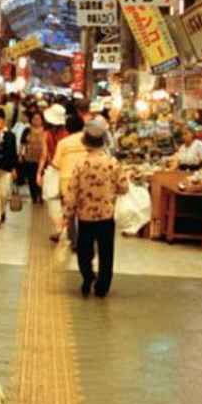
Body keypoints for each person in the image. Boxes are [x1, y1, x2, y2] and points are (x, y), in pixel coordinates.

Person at [65, 118, 127, 298]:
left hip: (85, 217)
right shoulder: (112, 163)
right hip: (106, 216)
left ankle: (87, 277)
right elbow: (124, 187)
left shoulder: (80, 164)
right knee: (106, 252)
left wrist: (67, 214)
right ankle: (102, 287)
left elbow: (72, 191)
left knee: (84, 251)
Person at [49, 109, 87, 245]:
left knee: (69, 210)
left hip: (67, 180)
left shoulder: (63, 143)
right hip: (85, 178)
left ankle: (73, 239)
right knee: (83, 209)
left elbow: (56, 164)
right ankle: (83, 238)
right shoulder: (88, 141)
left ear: (67, 127)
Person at [19, 109, 51, 208]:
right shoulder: (27, 130)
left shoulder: (46, 131)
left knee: (42, 177)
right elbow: (22, 143)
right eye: (34, 118)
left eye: (38, 118)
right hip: (30, 158)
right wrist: (20, 155)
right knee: (31, 179)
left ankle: (41, 195)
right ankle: (34, 197)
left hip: (43, 158)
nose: (36, 120)